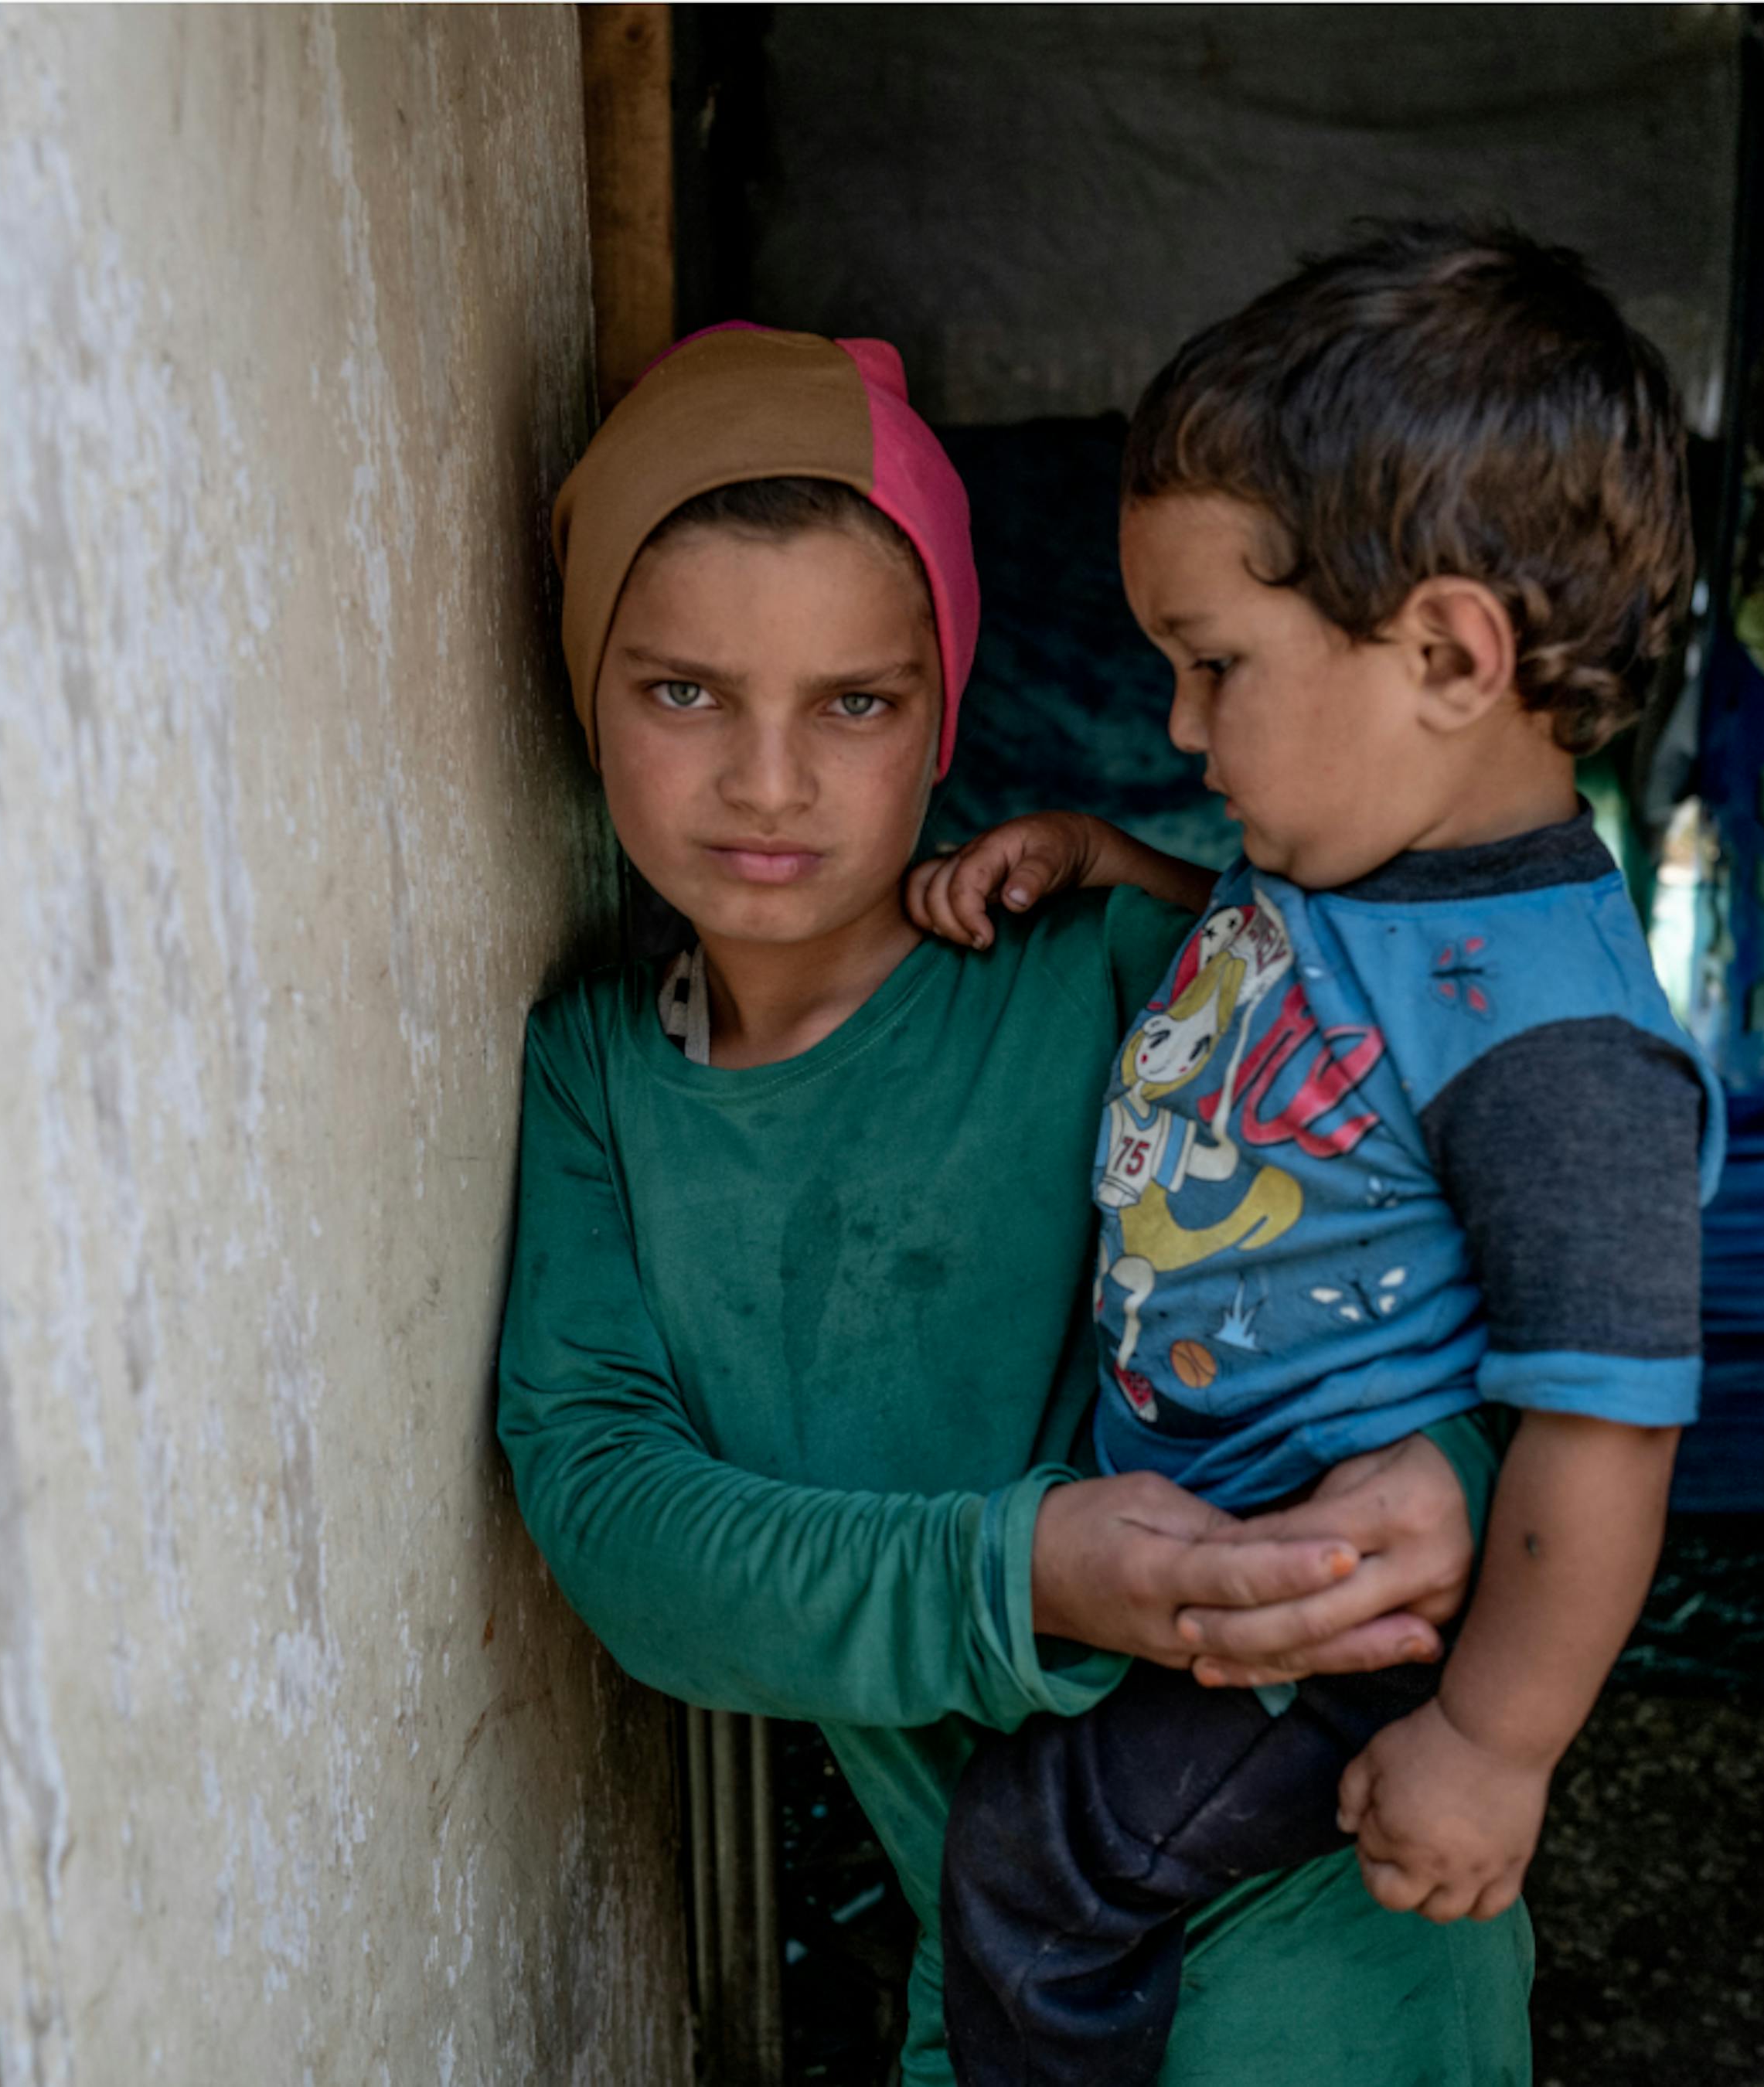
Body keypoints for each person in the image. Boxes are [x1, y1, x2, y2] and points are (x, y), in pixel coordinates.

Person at [492, 320, 1539, 2085]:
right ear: (581, 683)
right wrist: (1020, 1571)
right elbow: (613, 1517)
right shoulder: (602, 1075)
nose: (768, 782)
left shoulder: (1118, 975)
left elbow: (1516, 1281)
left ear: (944, 705)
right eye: (683, 692)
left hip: (1327, 1933)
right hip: (989, 1969)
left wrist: (1459, 1476)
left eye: (856, 703)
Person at [901, 224, 1723, 2085]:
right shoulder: (1351, 878)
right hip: (1217, 1533)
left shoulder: (1563, 1048)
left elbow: (1607, 1435)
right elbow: (1328, 1021)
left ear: (1447, 651)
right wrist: (1133, 874)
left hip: (1327, 1631)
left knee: (1033, 1863)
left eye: (1217, 666)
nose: (1180, 726)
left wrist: (1493, 1747)